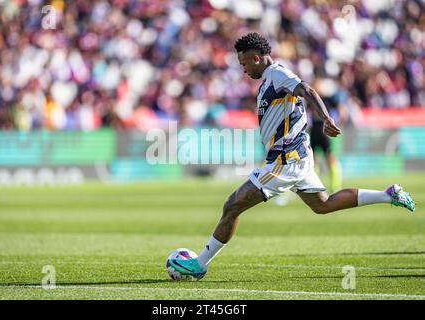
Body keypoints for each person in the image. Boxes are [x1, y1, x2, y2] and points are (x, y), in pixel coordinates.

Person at [168, 33, 416, 279]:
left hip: (285, 162)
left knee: (232, 205)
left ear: (256, 58)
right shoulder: (268, 80)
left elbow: (306, 89)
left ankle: (199, 264)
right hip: (298, 158)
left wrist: (326, 118)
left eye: (244, 63)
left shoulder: (276, 73)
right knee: (323, 204)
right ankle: (387, 195)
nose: (243, 69)